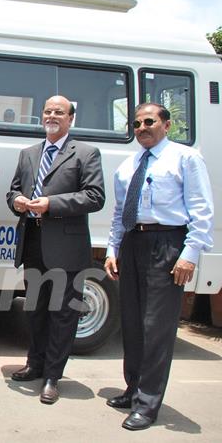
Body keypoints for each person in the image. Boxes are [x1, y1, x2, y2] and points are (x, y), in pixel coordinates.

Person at [104, 103, 213, 431]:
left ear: (166, 125)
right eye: (136, 124)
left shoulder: (185, 158)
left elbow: (201, 208)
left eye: (149, 121)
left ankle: (148, 404)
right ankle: (133, 388)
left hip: (167, 243)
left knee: (157, 328)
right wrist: (113, 248)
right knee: (134, 323)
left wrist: (190, 253)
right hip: (133, 244)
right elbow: (120, 211)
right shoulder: (129, 164)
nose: (142, 128)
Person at [6, 95, 105, 404]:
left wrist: (52, 204)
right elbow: (12, 190)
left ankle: (52, 376)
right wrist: (17, 202)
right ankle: (34, 364)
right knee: (34, 310)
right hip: (32, 242)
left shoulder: (86, 153)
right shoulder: (28, 153)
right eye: (47, 111)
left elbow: (95, 196)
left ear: (70, 118)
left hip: (66, 246)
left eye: (58, 112)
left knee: (62, 314)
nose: (52, 116)